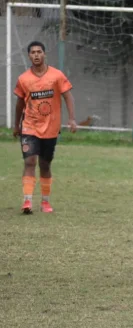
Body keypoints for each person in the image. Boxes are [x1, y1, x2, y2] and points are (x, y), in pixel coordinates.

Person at [13, 41, 77, 214]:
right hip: (29, 127)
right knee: (30, 161)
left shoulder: (56, 76)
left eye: (39, 52)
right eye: (32, 52)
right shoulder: (23, 79)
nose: (36, 55)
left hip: (50, 128)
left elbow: (68, 97)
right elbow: (19, 104)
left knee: (45, 164)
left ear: (44, 54)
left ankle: (45, 202)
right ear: (29, 56)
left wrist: (71, 119)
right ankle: (27, 201)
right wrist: (16, 125)